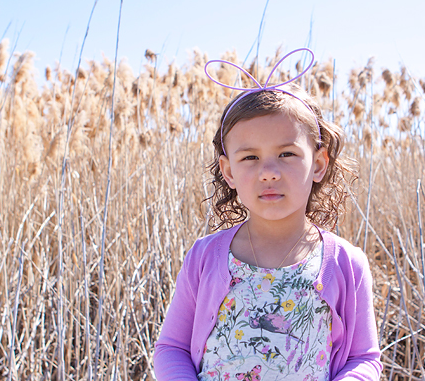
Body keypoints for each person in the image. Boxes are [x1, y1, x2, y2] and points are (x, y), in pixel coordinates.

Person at [153, 49, 382, 380]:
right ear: (228, 172)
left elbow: (364, 358)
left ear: (318, 164)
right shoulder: (204, 257)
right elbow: (171, 348)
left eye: (286, 154)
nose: (269, 172)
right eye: (250, 158)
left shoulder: (345, 263)